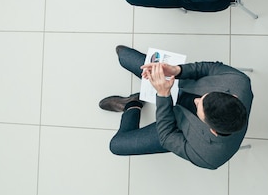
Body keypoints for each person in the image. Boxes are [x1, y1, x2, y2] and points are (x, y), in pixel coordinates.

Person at [99, 45, 253, 169]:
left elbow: (167, 137)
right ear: (234, 96)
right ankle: (148, 90)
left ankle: (133, 104)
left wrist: (163, 95)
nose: (196, 101)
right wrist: (177, 70)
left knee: (116, 146)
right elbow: (208, 68)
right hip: (180, 82)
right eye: (203, 97)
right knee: (124, 55)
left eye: (199, 107)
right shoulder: (239, 81)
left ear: (212, 130)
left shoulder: (209, 156)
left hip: (176, 126)